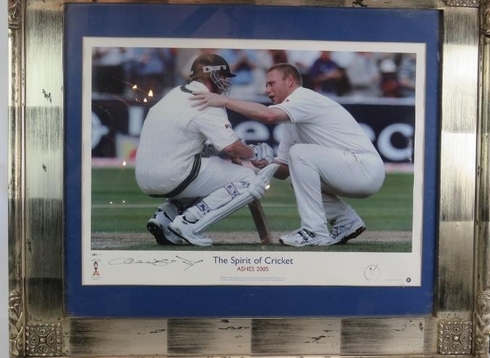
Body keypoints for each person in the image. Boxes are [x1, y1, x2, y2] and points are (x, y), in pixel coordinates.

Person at [190, 63, 385, 247]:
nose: (267, 90)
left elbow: (268, 115)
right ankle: (346, 221)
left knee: (299, 153)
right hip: (353, 170)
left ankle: (314, 231)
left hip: (364, 168)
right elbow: (283, 170)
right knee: (296, 172)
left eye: (271, 83)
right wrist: (263, 161)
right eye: (266, 85)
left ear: (290, 81)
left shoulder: (304, 97)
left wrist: (223, 100)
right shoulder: (290, 120)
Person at [135, 53, 277, 247]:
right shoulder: (206, 101)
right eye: (224, 76)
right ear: (212, 75)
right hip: (174, 174)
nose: (226, 81)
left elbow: (208, 146)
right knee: (249, 179)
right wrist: (254, 154)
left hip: (144, 176)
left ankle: (165, 217)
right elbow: (230, 146)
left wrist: (231, 151)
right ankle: (189, 223)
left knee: (213, 175)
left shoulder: (174, 94)